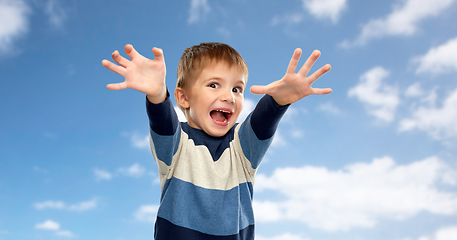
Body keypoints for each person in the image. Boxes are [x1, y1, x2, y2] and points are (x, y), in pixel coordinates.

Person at [102, 42, 331, 240]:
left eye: (237, 88)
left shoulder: (242, 149)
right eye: (214, 85)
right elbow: (163, 122)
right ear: (183, 98)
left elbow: (262, 121)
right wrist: (157, 94)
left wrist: (279, 100)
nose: (229, 96)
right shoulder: (176, 145)